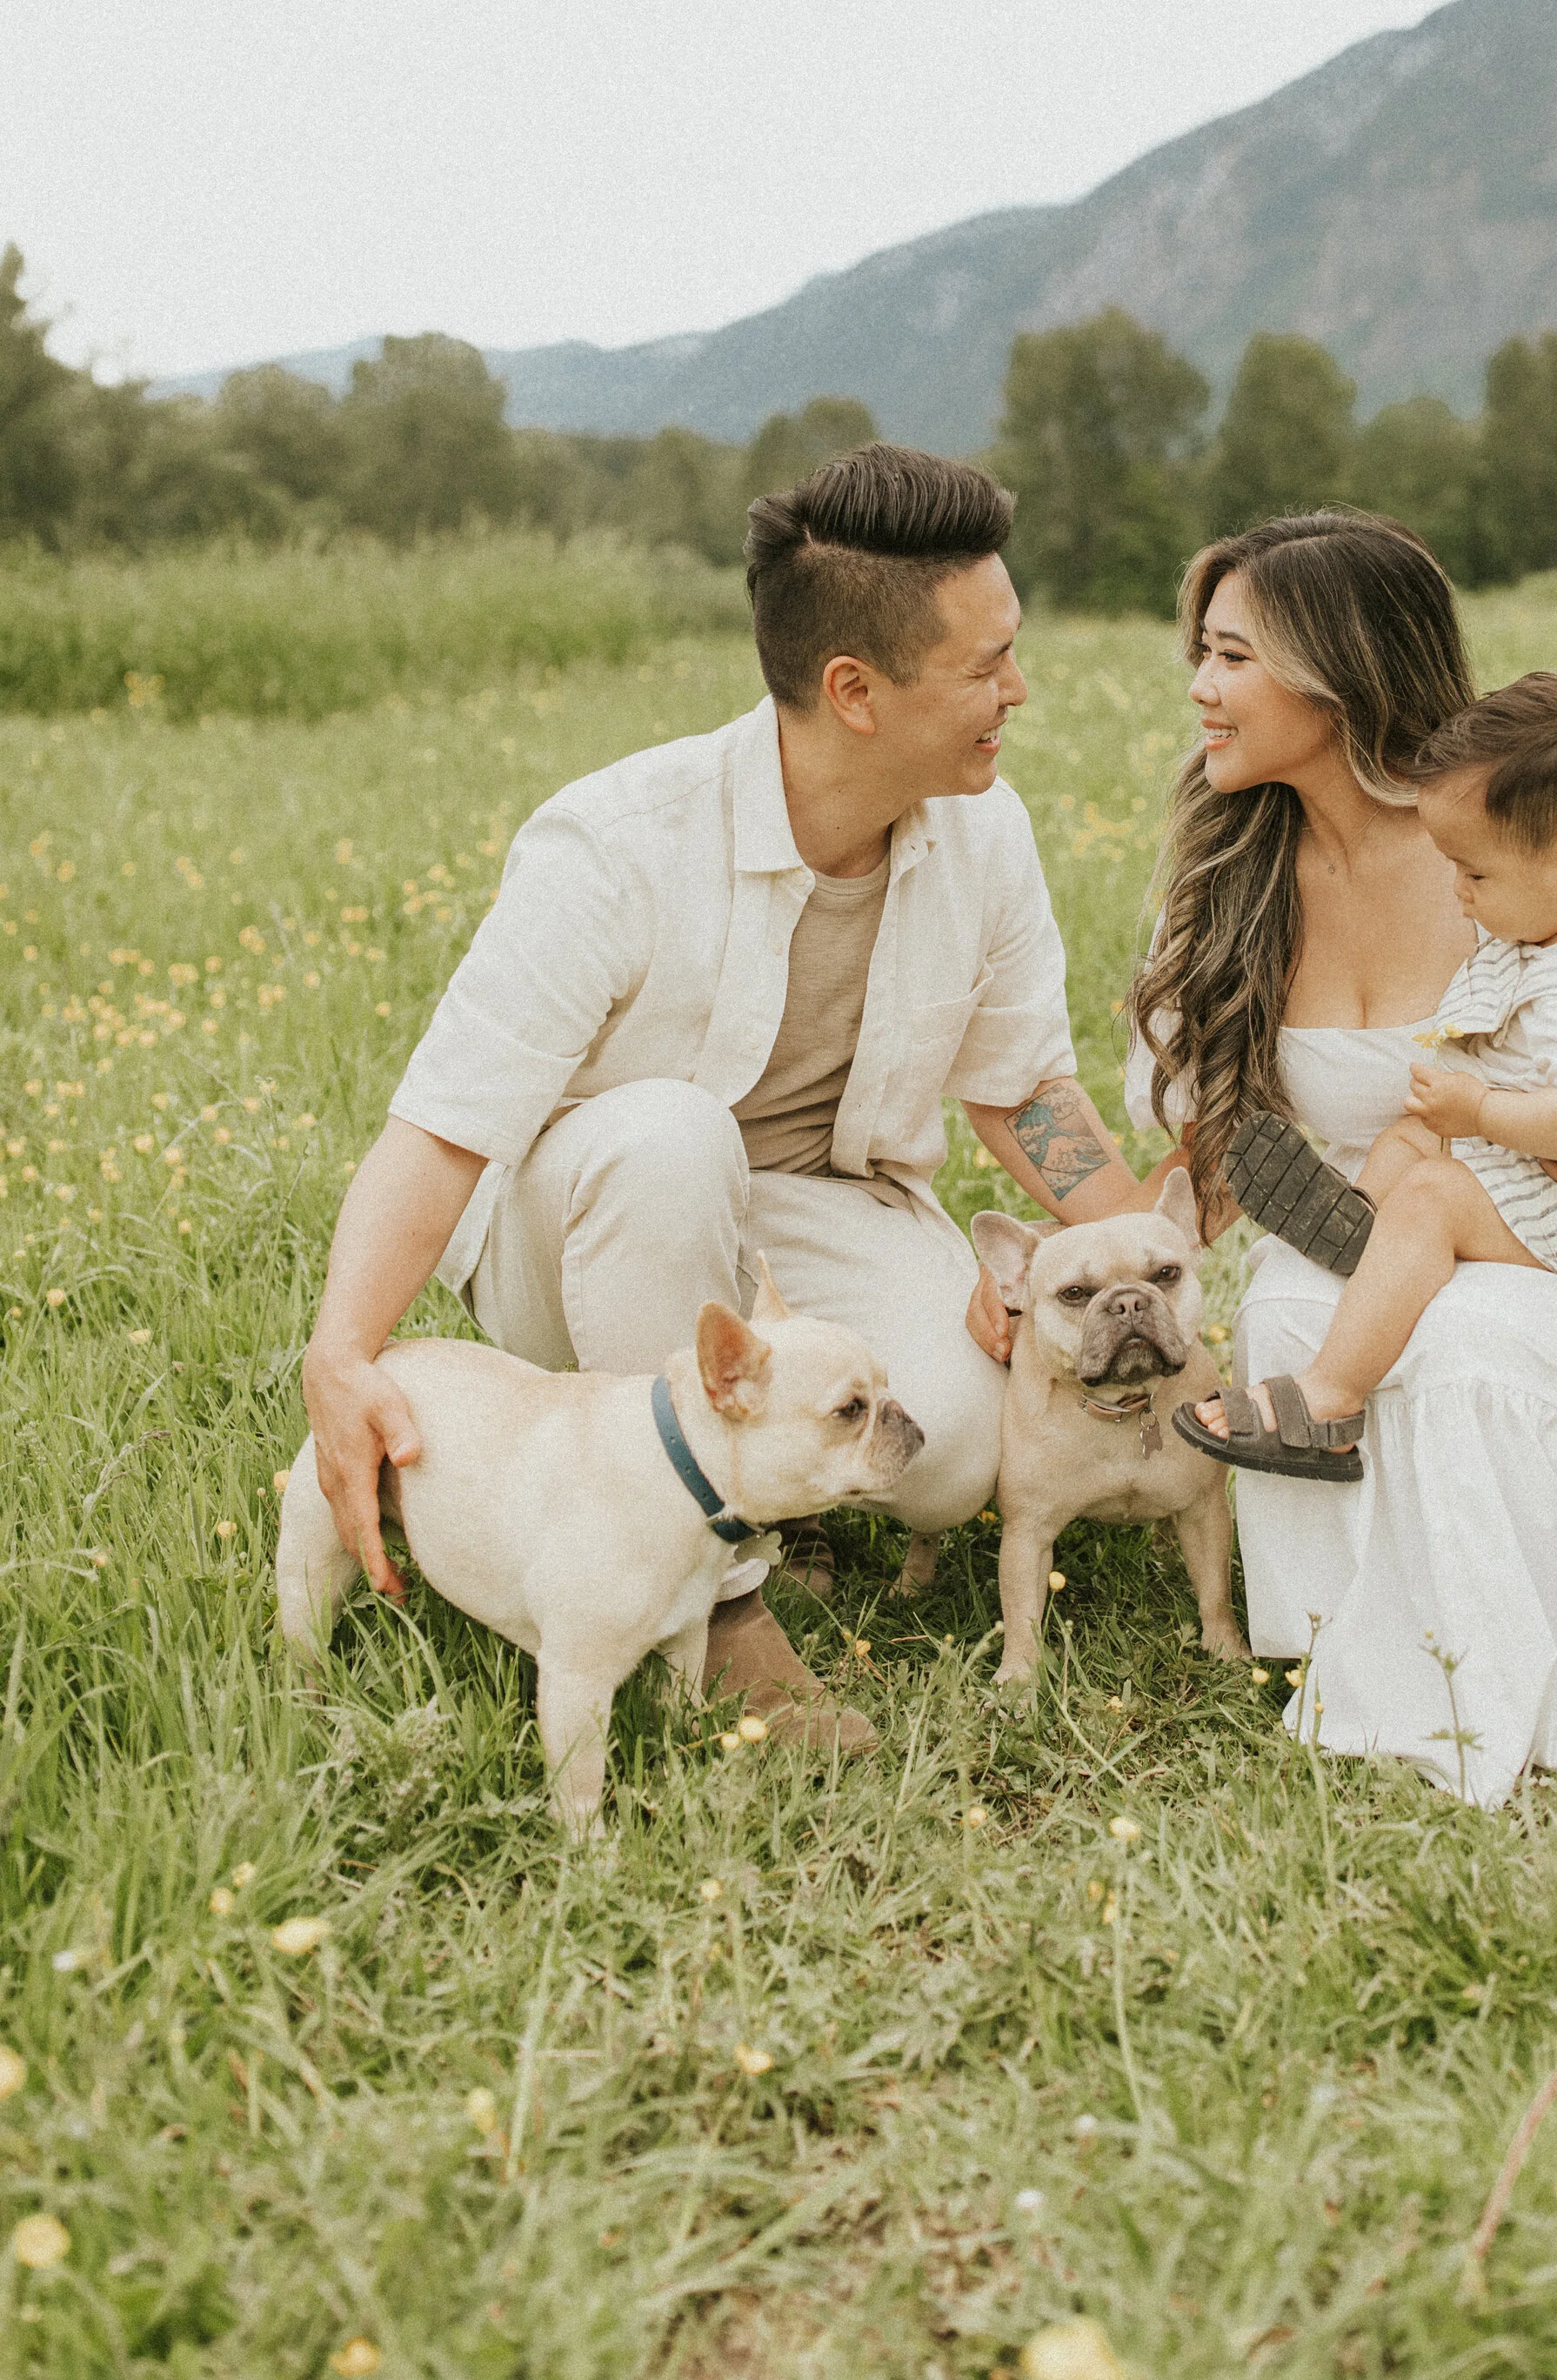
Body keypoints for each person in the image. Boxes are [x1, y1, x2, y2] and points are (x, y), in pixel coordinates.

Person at [301, 444, 1149, 1757]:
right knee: (669, 1138)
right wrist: (341, 1359)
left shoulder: (987, 836)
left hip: (812, 1216)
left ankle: (778, 1487)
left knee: (958, 1455)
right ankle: (732, 1618)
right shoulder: (613, 841)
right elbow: (444, 1127)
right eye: (986, 666)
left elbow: (1025, 1089)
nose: (1017, 691)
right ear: (853, 690)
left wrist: (1149, 1252)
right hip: (589, 1224)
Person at [1127, 511, 1557, 1804]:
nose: (1200, 689)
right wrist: (1090, 1276)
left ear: (1338, 677)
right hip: (1382, 1222)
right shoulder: (1231, 878)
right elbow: (1209, 1164)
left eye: (1231, 658)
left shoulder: (1498, 850)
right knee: (1295, 1303)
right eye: (1203, 653)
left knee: (1451, 1347)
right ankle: (1376, 1635)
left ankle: (1495, 1687)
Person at [1173, 669, 1557, 1480]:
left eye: (1474, 875)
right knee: (1412, 1136)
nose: (1459, 895)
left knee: (1434, 1192)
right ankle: (1364, 1221)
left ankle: (1328, 1399)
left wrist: (1480, 1107)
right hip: (1536, 1158)